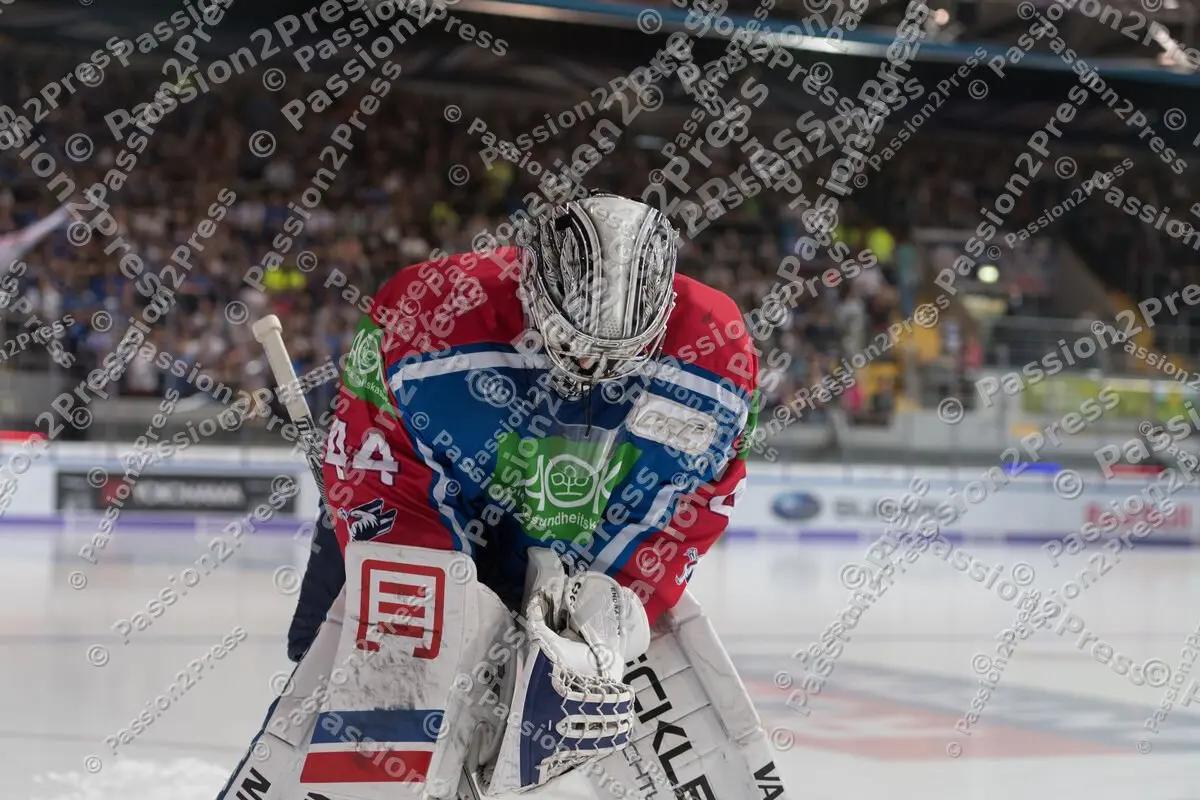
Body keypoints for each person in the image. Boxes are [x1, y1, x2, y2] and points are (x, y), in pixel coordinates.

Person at [221, 192, 783, 800]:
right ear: (529, 286)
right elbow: (374, 464)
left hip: (574, 537)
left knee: (569, 697)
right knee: (361, 689)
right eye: (571, 345)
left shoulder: (716, 351)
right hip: (423, 509)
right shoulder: (426, 312)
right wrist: (445, 610)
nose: (589, 371)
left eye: (617, 356)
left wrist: (615, 606)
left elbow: (697, 499)